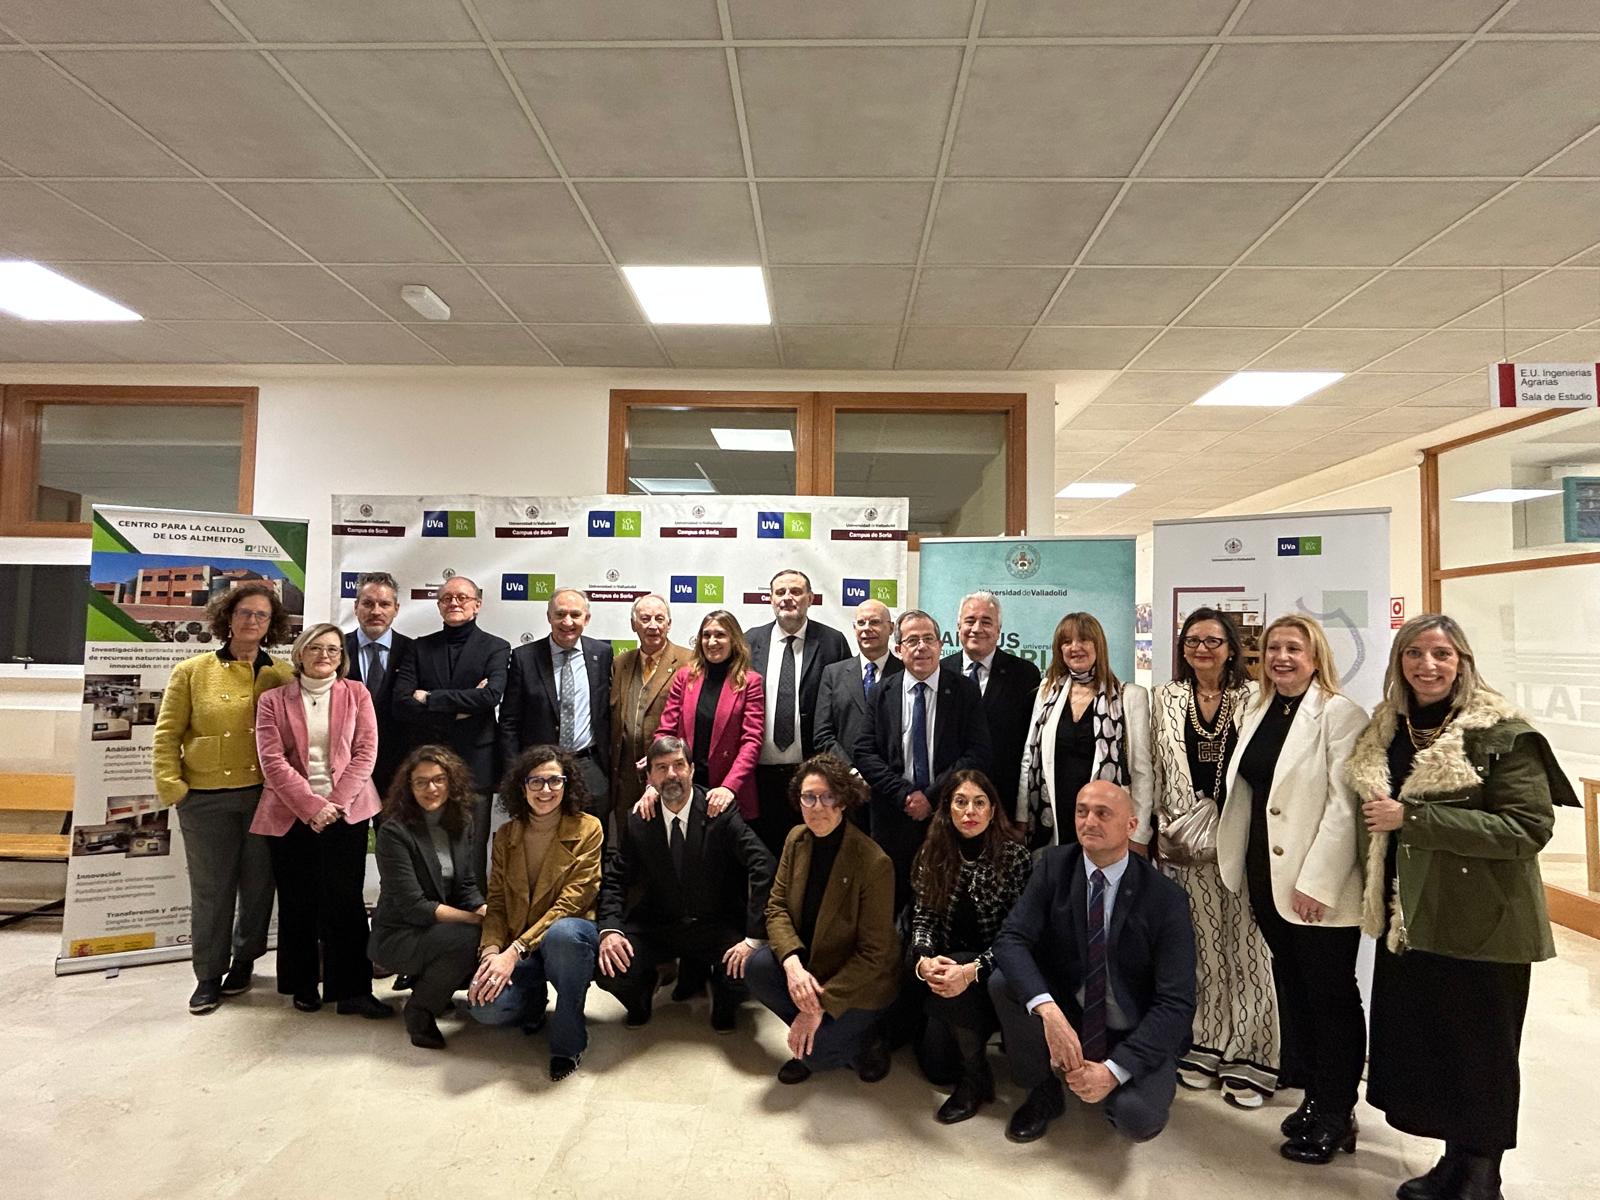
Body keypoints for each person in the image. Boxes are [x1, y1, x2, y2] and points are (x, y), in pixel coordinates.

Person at [1349, 615, 1574, 1200]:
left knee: (1483, 1052)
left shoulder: (1500, 733)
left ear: (1463, 662)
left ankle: (1482, 1175)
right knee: (1438, 1046)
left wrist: (1417, 818)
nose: (1428, 665)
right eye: (1415, 653)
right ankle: (1456, 1162)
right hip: (1413, 920)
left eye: (1442, 654)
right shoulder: (1390, 731)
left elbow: (1527, 827)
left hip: (1484, 921)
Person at [1218, 613, 1368, 1164]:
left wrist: (1318, 883)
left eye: (1294, 649)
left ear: (1315, 656)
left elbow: (1344, 805)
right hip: (1266, 877)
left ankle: (1337, 1111)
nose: (1282, 657)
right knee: (1298, 991)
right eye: (1273, 648)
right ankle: (1315, 1097)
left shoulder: (1338, 714)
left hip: (1316, 887)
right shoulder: (1257, 708)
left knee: (1331, 997)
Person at [989, 781, 1197, 1145]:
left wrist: (1114, 1072)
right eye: (1081, 811)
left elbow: (1176, 1003)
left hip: (1132, 1028)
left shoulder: (1165, 898)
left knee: (1138, 1118)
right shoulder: (1054, 866)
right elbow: (1011, 940)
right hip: (1072, 1013)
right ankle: (1042, 1089)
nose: (1089, 821)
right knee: (1004, 982)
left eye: (1103, 813)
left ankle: (1112, 1078)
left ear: (1131, 826)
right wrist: (1049, 1013)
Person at [1150, 607, 1277, 1108]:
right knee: (1201, 947)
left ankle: (1253, 1054)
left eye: (1213, 640)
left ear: (1232, 648)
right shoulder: (1164, 698)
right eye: (1192, 641)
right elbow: (1152, 768)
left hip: (1242, 839)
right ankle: (1207, 1041)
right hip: (1182, 841)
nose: (1202, 649)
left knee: (1250, 950)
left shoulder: (1256, 699)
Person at [152, 581, 295, 1015]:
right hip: (205, 799)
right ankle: (208, 975)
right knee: (212, 891)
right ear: (227, 618)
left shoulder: (282, 674)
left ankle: (245, 962)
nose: (253, 621)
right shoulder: (192, 671)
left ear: (272, 624)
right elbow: (167, 734)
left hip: (264, 799)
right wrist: (172, 785)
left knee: (257, 889)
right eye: (245, 613)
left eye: (262, 615)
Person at [252, 622, 389, 1018]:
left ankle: (352, 990)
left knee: (345, 902)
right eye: (315, 648)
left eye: (332, 649)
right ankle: (303, 985)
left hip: (346, 813)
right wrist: (311, 806)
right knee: (298, 902)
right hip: (290, 815)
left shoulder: (357, 694)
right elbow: (271, 760)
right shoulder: (273, 700)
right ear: (300, 653)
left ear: (341, 657)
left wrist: (335, 802)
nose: (324, 655)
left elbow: (366, 752)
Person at [596, 734, 775, 1033]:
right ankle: (642, 992)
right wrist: (610, 929)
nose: (671, 775)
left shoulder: (719, 812)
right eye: (661, 767)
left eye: (679, 765)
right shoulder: (640, 819)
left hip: (715, 923)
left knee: (750, 968)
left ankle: (724, 996)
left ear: (692, 769)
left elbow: (763, 864)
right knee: (608, 966)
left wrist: (754, 936)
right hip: (659, 925)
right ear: (650, 776)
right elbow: (616, 876)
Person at [744, 754, 899, 1085]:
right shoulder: (796, 839)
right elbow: (776, 908)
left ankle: (865, 1040)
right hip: (811, 966)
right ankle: (811, 1036)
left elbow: (873, 956)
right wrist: (792, 965)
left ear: (843, 801)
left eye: (828, 796)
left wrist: (817, 1006)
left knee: (818, 1055)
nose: (818, 806)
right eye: (809, 797)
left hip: (858, 982)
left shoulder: (873, 862)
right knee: (756, 966)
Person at [469, 745, 603, 1082]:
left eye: (554, 781)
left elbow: (571, 903)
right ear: (521, 787)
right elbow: (497, 903)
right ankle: (532, 999)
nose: (545, 790)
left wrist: (513, 952)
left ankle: (568, 1039)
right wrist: (490, 954)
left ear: (567, 783)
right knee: (485, 1009)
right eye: (536, 781)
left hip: (568, 939)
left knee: (563, 935)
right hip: (520, 945)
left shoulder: (589, 829)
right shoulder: (505, 836)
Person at [909, 769, 1032, 1124]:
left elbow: (1015, 937)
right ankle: (961, 1057)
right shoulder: (932, 852)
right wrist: (923, 960)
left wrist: (972, 969)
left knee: (959, 980)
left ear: (993, 811)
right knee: (935, 1070)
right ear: (947, 809)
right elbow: (924, 917)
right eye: (960, 802)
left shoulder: (1015, 858)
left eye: (979, 803)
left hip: (995, 972)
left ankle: (976, 1077)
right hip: (945, 969)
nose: (969, 812)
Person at [854, 609, 992, 908]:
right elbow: (864, 752)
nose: (921, 647)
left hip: (947, 813)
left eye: (929, 639)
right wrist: (905, 795)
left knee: (945, 897)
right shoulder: (882, 692)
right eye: (912, 640)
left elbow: (977, 752)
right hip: (893, 815)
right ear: (898, 649)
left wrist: (931, 796)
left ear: (941, 645)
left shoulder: (964, 691)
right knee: (892, 900)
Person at [369, 745, 487, 1049]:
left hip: (437, 929)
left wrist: (487, 911)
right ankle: (419, 1012)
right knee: (470, 938)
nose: (430, 788)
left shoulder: (462, 822)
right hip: (399, 933)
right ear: (409, 787)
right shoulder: (394, 832)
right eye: (420, 782)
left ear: (451, 782)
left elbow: (467, 886)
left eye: (438, 779)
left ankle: (433, 986)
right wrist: (476, 919)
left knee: (491, 934)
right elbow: (414, 907)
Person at [393, 575, 509, 883]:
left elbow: (489, 696)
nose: (454, 603)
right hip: (427, 761)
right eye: (446, 598)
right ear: (439, 606)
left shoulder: (497, 647)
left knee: (471, 852)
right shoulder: (419, 648)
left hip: (476, 764)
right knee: (428, 849)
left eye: (462, 597)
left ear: (477, 605)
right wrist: (459, 710)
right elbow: (402, 703)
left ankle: (473, 923)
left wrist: (430, 697)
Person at [1017, 611, 1154, 853]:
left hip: (1106, 822)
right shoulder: (1047, 692)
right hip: (1053, 820)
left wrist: (1140, 835)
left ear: (1098, 645)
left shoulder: (1130, 696)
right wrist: (1021, 815)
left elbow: (1141, 772)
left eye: (1084, 640)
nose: (1075, 647)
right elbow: (1030, 757)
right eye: (1066, 642)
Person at [745, 568, 852, 853]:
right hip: (760, 775)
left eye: (795, 592)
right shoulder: (750, 641)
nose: (787, 598)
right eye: (780, 592)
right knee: (765, 852)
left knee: (813, 851)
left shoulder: (832, 641)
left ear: (810, 598)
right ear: (770, 599)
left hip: (812, 773)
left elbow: (843, 708)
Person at [499, 587, 613, 819]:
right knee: (541, 841)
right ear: (549, 617)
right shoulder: (524, 657)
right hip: (539, 768)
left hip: (589, 764)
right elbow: (509, 721)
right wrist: (515, 772)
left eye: (575, 614)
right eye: (560, 614)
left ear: (587, 618)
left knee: (590, 840)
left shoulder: (602, 654)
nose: (567, 622)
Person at [647, 610, 765, 825]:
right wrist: (653, 782)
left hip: (728, 791)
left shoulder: (750, 682)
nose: (712, 642)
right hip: (685, 787)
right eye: (706, 635)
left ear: (734, 640)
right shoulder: (685, 676)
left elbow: (751, 742)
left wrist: (729, 787)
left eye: (720, 635)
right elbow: (665, 732)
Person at [942, 591, 1041, 814]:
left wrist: (1022, 812)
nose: (977, 628)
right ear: (958, 627)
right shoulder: (940, 671)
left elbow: (1030, 747)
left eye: (986, 622)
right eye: (970, 621)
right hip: (948, 799)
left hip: (1003, 801)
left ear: (998, 630)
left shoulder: (1025, 675)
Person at [608, 593, 693, 825]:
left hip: (668, 769)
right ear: (633, 624)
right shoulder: (620, 663)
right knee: (627, 838)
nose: (653, 626)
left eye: (659, 618)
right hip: (625, 772)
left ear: (669, 624)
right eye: (645, 619)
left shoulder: (689, 661)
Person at [344, 571, 414, 800]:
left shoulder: (414, 652)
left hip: (398, 765)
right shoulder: (334, 649)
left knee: (394, 833)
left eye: (384, 604)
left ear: (396, 608)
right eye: (368, 603)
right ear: (356, 607)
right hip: (345, 765)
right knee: (348, 834)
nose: (376, 611)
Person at [813, 597, 901, 770]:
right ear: (854, 628)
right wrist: (851, 772)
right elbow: (823, 735)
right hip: (845, 782)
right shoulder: (833, 674)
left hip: (893, 781)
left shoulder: (905, 673)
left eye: (875, 622)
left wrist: (884, 776)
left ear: (891, 628)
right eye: (861, 623)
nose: (867, 628)